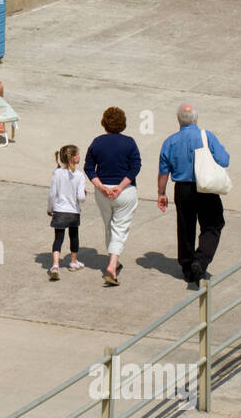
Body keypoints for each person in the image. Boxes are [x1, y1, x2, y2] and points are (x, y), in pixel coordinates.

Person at [157, 104, 229, 288]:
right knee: (213, 224)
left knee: (185, 227)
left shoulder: (170, 142)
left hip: (183, 189)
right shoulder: (207, 136)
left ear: (178, 120)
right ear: (195, 119)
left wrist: (161, 193)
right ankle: (201, 259)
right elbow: (224, 160)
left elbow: (164, 172)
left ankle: (188, 268)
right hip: (206, 188)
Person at [84, 107, 142, 286]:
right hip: (124, 191)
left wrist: (101, 187)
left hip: (103, 192)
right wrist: (120, 187)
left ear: (104, 123)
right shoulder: (129, 142)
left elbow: (88, 167)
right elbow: (135, 167)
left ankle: (113, 260)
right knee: (120, 227)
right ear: (123, 124)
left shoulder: (97, 142)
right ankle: (112, 264)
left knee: (109, 225)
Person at [47, 144, 88, 280]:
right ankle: (73, 262)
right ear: (73, 158)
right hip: (73, 212)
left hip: (59, 210)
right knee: (74, 236)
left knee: (58, 238)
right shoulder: (79, 175)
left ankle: (55, 265)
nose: (79, 157)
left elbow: (52, 194)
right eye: (78, 154)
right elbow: (81, 197)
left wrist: (50, 208)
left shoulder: (57, 173)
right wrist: (83, 197)